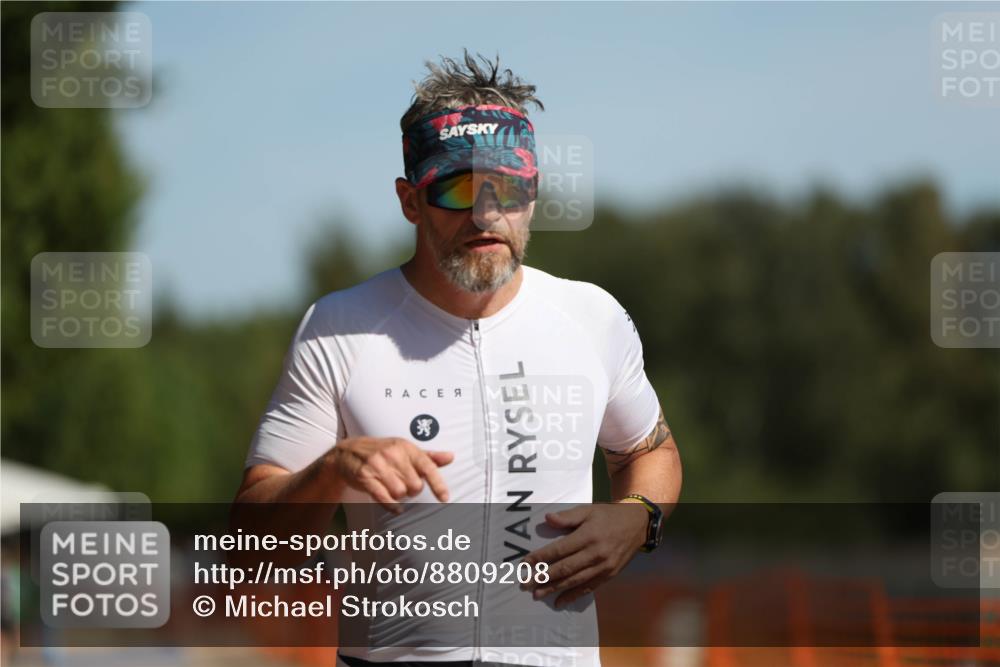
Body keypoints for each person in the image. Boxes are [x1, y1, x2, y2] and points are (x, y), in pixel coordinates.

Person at [236, 50, 682, 667]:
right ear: (409, 200)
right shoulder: (339, 326)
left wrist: (638, 519)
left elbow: (648, 450)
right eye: (456, 188)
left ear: (535, 194)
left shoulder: (591, 316)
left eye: (509, 188)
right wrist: (333, 468)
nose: (485, 214)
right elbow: (249, 549)